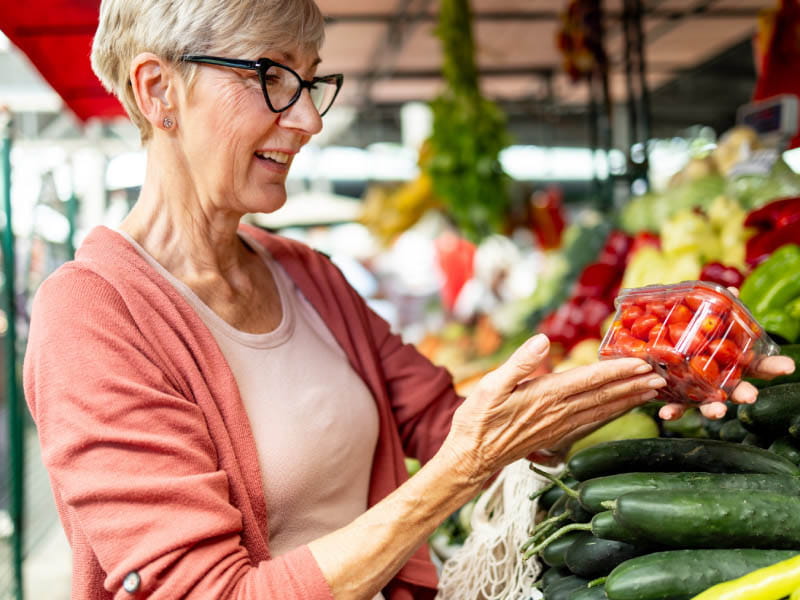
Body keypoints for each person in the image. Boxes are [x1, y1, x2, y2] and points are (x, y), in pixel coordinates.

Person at [22, 0, 794, 598]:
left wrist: (641, 372)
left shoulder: (306, 272)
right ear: (160, 90)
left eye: (312, 76)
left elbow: (444, 417)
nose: (310, 117)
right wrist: (460, 471)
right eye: (272, 76)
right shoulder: (92, 317)